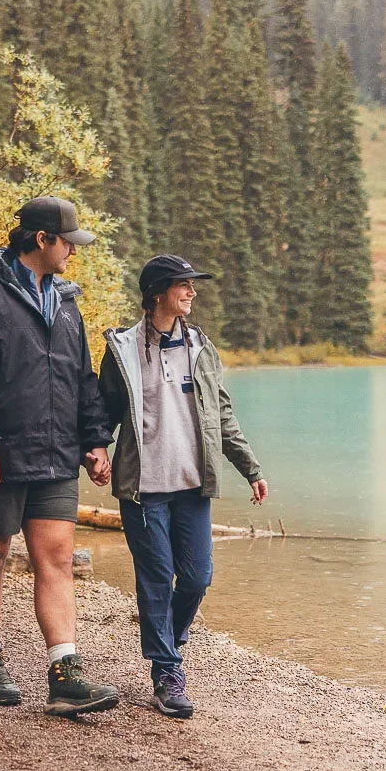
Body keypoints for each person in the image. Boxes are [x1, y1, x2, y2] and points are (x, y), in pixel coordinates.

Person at [0, 195, 120, 717]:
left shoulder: (65, 300)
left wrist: (93, 439)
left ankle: (65, 673)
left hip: (55, 454)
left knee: (57, 558)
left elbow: (79, 377)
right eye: (68, 242)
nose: (74, 252)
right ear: (41, 240)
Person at [98, 254, 268, 719]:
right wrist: (93, 448)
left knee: (196, 577)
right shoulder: (124, 349)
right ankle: (167, 674)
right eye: (183, 285)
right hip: (143, 489)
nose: (192, 292)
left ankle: (166, 636)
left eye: (193, 285)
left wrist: (251, 469)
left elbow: (224, 416)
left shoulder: (201, 347)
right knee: (156, 579)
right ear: (157, 293)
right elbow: (102, 410)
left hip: (193, 487)